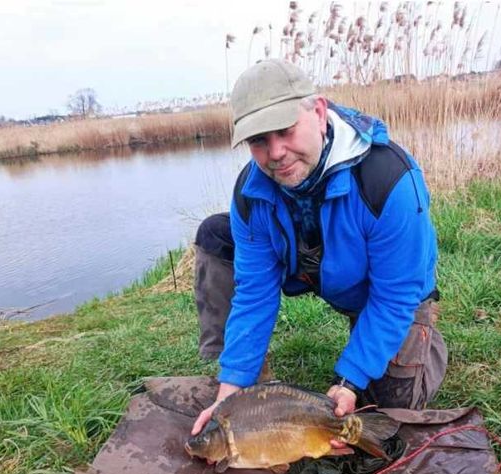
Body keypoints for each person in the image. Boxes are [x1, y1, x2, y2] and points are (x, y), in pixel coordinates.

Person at [190, 59, 446, 439]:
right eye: (259, 140)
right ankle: (247, 380)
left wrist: (350, 380)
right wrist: (232, 392)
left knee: (390, 408)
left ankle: (426, 342)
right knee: (216, 234)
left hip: (386, 291)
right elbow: (254, 293)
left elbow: (395, 296)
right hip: (310, 268)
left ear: (319, 113)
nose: (275, 152)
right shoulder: (251, 191)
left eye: (285, 130)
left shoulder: (389, 180)